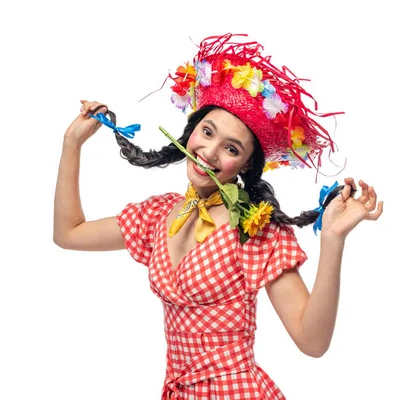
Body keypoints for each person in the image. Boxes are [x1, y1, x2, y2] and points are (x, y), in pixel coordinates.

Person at [53, 33, 383, 399]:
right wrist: (72, 144)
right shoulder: (158, 215)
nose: (208, 153)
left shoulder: (254, 230)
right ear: (191, 130)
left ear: (245, 165)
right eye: (206, 132)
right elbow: (69, 233)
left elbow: (312, 341)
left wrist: (332, 241)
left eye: (231, 148)